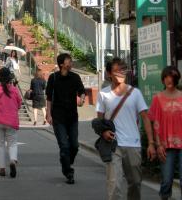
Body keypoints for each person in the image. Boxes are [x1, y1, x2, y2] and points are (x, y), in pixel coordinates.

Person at [96, 58, 156, 199]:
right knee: (114, 184)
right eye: (117, 71)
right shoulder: (103, 94)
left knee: (135, 183)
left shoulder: (135, 93)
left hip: (133, 144)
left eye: (123, 70)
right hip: (113, 144)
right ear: (109, 73)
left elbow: (145, 118)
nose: (121, 73)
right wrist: (103, 132)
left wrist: (151, 143)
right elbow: (99, 120)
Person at [45, 53, 85, 184]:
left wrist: (82, 99)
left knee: (74, 145)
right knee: (64, 145)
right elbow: (49, 97)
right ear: (62, 64)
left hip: (72, 117)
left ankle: (66, 160)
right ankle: (68, 172)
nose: (71, 62)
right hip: (58, 118)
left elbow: (81, 91)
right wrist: (48, 114)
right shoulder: (53, 78)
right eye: (69, 61)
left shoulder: (75, 77)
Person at [148, 66, 182, 200]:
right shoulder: (158, 98)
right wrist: (158, 144)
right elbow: (156, 123)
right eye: (167, 76)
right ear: (163, 79)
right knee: (167, 180)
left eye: (172, 77)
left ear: (176, 79)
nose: (169, 79)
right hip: (165, 145)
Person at [0, 67, 22, 178]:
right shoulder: (14, 90)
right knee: (12, 143)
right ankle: (12, 160)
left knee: (0, 144)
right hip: (11, 120)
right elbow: (19, 104)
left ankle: (1, 169)